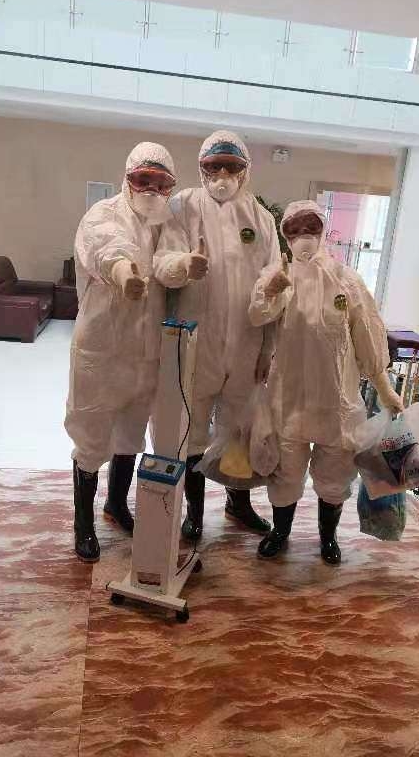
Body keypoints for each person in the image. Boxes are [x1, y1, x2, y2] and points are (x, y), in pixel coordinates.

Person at [248, 200, 403, 564]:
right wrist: (271, 290)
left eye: (311, 229)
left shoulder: (346, 280)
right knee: (286, 473)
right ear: (285, 235)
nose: (303, 237)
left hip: (337, 401)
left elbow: (367, 338)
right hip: (288, 399)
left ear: (322, 231)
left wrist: (385, 390)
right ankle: (280, 532)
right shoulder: (276, 274)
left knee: (335, 475)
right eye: (295, 230)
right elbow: (256, 315)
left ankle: (327, 538)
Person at [154, 130, 281, 541]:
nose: (222, 175)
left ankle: (237, 503)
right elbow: (162, 259)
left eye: (231, 166)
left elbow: (272, 280)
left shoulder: (260, 218)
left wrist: (268, 348)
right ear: (201, 168)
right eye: (213, 167)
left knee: (239, 427)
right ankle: (194, 513)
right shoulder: (183, 206)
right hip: (197, 341)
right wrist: (183, 265)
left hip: (246, 342)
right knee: (191, 429)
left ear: (245, 170)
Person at [65, 142, 177, 562]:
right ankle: (83, 523)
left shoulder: (166, 224)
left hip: (145, 350)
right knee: (92, 436)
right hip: (102, 347)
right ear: (127, 179)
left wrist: (184, 264)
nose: (151, 189)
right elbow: (105, 246)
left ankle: (116, 505)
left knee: (130, 432)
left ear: (170, 187)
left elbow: (170, 262)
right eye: (142, 179)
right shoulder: (104, 213)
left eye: (160, 182)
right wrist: (122, 271)